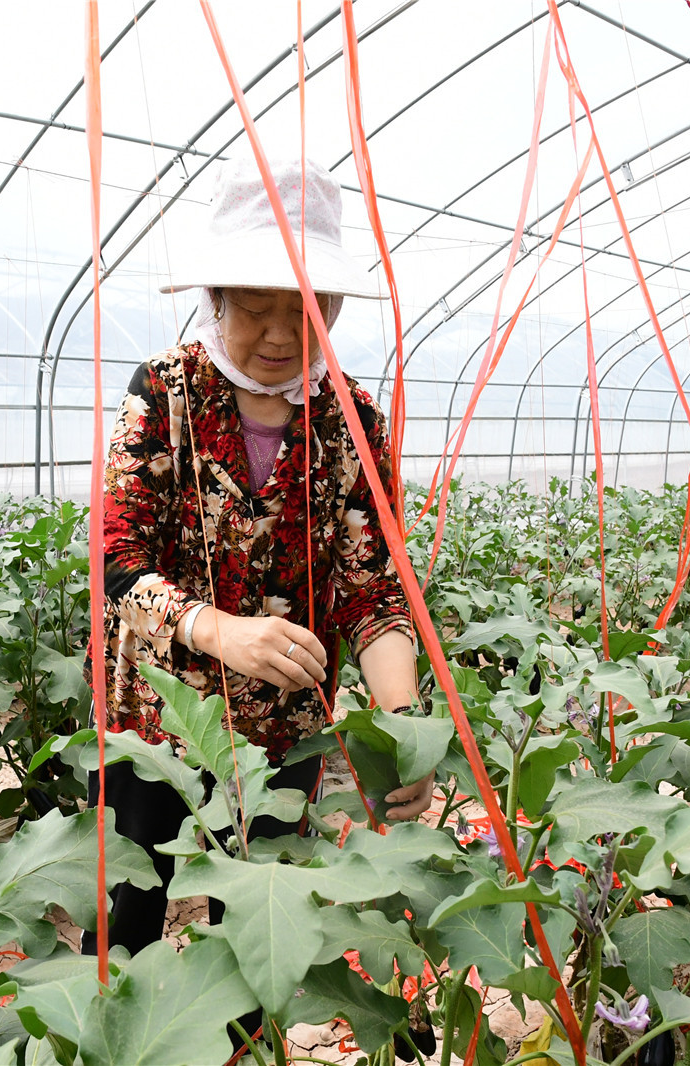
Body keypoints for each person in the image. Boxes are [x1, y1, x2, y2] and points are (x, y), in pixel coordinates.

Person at [84, 155, 432, 959]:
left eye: (307, 310)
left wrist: (405, 730)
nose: (282, 335)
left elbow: (371, 591)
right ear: (215, 298)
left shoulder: (352, 421)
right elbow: (118, 557)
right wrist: (216, 630)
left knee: (257, 944)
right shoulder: (164, 393)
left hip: (285, 736)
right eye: (256, 308)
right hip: (156, 725)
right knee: (126, 921)